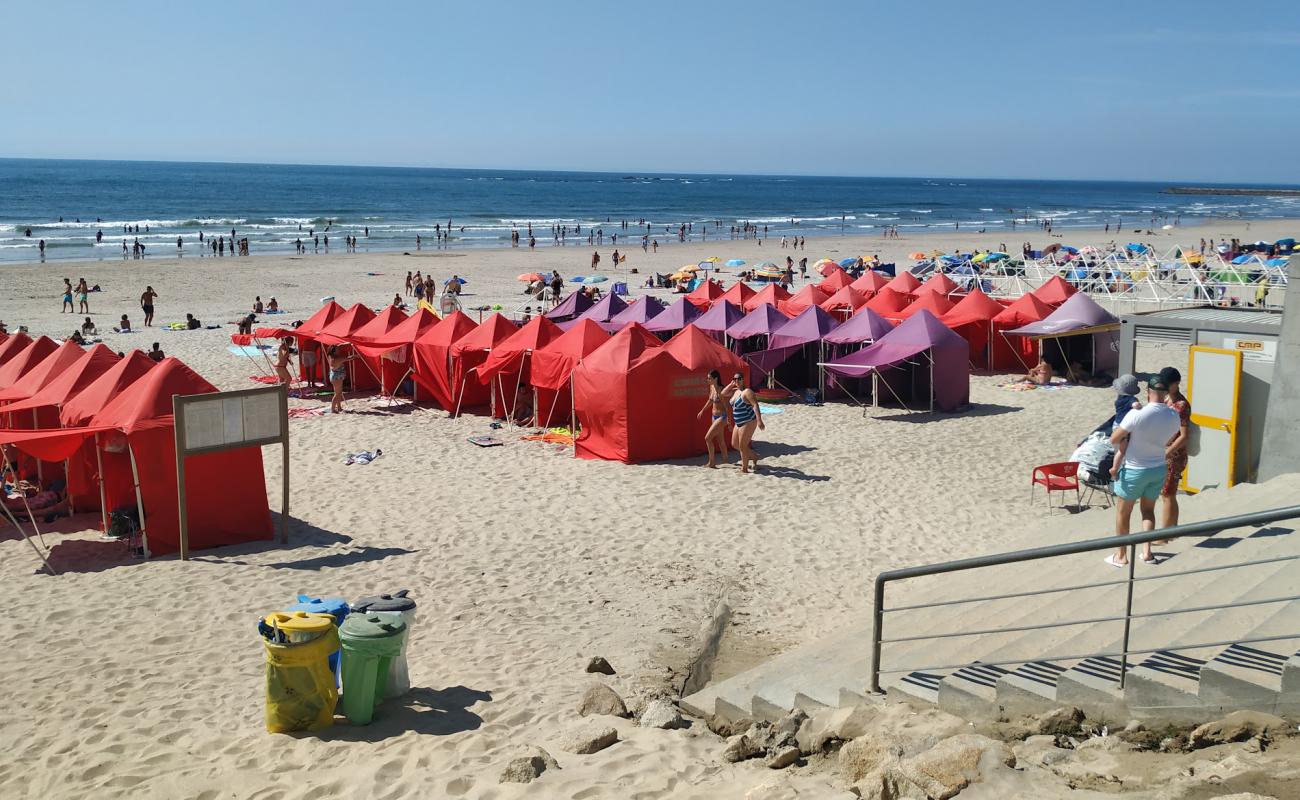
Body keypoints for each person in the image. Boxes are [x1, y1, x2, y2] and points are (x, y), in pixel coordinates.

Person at [1108, 374, 1181, 567]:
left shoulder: (1137, 414)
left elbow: (1114, 439)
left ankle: (1121, 555)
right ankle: (1147, 552)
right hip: (1157, 467)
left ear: (1148, 392)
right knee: (1148, 510)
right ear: (1166, 393)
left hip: (1135, 469)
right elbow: (1171, 435)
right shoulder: (1174, 415)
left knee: (1123, 513)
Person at [1160, 366, 1191, 530]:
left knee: (1168, 493)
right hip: (1165, 452)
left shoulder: (1182, 405)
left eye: (1167, 384)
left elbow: (1184, 435)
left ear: (1176, 383)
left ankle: (1164, 534)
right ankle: (1174, 528)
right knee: (1168, 494)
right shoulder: (1166, 400)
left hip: (1174, 455)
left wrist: (1168, 451)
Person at [728, 371, 764, 474]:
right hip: (738, 422)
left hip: (748, 421)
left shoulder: (747, 392)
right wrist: (731, 385)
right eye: (734, 379)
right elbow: (722, 394)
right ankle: (754, 456)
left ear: (743, 379)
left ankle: (744, 469)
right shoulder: (736, 391)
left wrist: (759, 420)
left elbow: (755, 405)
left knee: (742, 446)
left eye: (739, 378)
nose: (737, 381)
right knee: (735, 444)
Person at [696, 370, 732, 468]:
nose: (707, 380)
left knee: (707, 438)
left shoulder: (722, 390)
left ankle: (711, 462)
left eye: (709, 378)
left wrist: (729, 421)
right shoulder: (712, 387)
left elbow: (727, 406)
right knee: (720, 440)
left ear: (715, 379)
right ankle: (726, 460)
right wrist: (702, 410)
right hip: (714, 416)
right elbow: (710, 400)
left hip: (722, 416)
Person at [326, 345, 353, 413]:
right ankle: (333, 409)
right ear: (334, 351)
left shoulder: (331, 357)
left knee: (338, 393)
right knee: (337, 393)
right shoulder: (337, 359)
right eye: (337, 349)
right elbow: (348, 358)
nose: (339, 350)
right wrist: (356, 356)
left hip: (334, 376)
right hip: (337, 377)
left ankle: (339, 407)